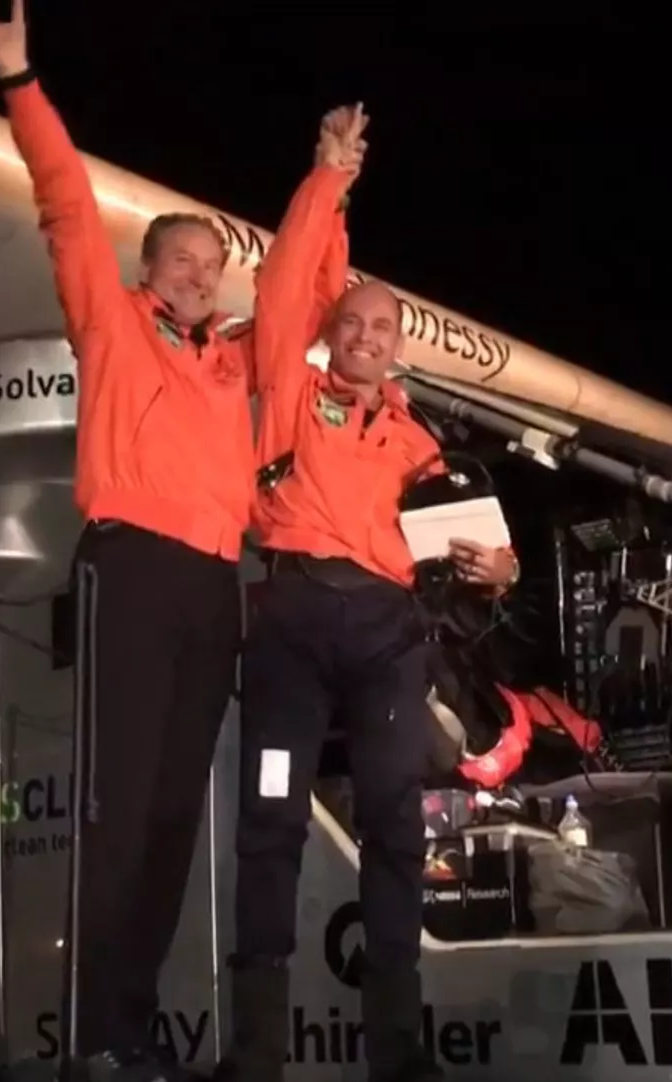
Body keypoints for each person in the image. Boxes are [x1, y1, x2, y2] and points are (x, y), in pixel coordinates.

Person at [0, 3, 349, 1078]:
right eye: (181, 260)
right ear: (148, 268)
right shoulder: (113, 324)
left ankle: (125, 1028)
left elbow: (303, 294)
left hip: (214, 585)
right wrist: (20, 79)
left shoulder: (234, 358)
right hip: (128, 568)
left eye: (211, 265)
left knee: (172, 818)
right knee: (118, 812)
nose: (199, 275)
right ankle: (92, 1037)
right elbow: (66, 203)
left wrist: (327, 182)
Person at [219, 106, 518, 1082]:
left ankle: (398, 1051)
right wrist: (329, 177)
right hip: (290, 623)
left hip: (388, 637)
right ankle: (255, 1052)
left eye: (381, 327)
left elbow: (484, 546)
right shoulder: (290, 392)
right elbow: (286, 277)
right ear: (332, 333)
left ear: (395, 347)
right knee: (270, 818)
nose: (364, 336)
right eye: (351, 321)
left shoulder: (418, 442)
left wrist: (505, 568)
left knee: (393, 821)